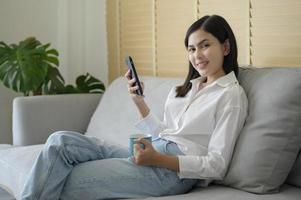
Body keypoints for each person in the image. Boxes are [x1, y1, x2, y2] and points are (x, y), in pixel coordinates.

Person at [20, 15, 248, 200]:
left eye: (205, 45)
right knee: (61, 142)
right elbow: (165, 133)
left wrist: (157, 160)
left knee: (59, 177)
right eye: (191, 49)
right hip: (152, 151)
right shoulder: (186, 89)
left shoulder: (230, 96)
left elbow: (216, 165)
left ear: (225, 46)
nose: (197, 55)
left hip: (170, 173)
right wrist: (139, 101)